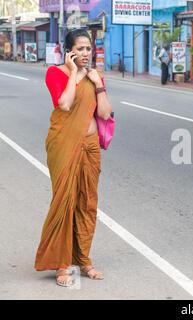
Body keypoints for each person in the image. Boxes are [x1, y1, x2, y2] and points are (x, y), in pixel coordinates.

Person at [35, 28, 113, 287]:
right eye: (79, 49)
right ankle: (61, 264)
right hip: (64, 145)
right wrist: (74, 75)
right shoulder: (55, 73)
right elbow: (65, 104)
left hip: (90, 147)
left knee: (88, 203)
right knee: (64, 202)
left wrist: (98, 84)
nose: (85, 53)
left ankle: (84, 259)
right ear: (68, 51)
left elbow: (104, 114)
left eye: (88, 48)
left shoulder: (95, 76)